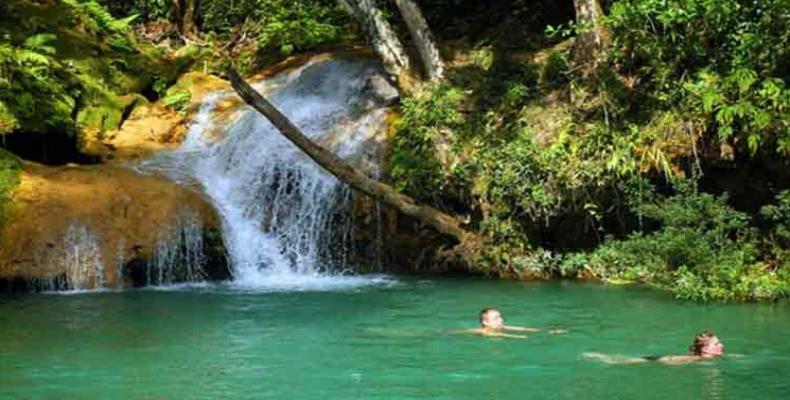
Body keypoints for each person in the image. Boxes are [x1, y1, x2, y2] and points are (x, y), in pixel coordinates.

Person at [583, 330, 725, 365]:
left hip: (669, 360)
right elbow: (676, 360)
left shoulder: (706, 358)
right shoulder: (699, 359)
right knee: (633, 361)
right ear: (705, 349)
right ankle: (603, 357)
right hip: (666, 361)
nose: (721, 345)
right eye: (717, 344)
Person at [466, 308, 564, 338]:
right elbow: (504, 335)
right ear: (485, 322)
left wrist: (549, 331)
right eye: (496, 318)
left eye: (500, 317)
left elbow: (523, 329)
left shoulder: (502, 327)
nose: (501, 320)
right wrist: (519, 337)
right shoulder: (484, 332)